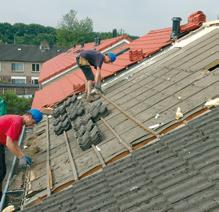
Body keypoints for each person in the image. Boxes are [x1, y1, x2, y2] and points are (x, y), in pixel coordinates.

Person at [0, 109, 43, 201]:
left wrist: (22, 155)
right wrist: (21, 157)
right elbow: (9, 143)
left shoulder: (18, 121)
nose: (32, 125)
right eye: (33, 122)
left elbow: (15, 142)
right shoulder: (17, 122)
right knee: (1, 171)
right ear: (29, 117)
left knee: (2, 170)